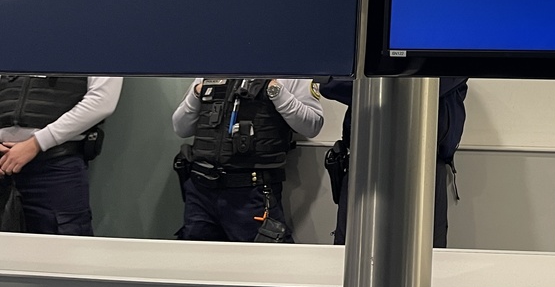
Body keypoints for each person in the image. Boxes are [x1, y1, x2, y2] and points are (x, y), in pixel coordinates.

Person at [319, 77, 467, 247]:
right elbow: (330, 84)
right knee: (354, 248)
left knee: (427, 251)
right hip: (367, 162)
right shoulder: (363, 60)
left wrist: (376, 84)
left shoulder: (447, 62)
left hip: (426, 167)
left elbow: (431, 86)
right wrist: (391, 81)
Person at [172, 77, 322, 242]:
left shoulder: (288, 71)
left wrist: (276, 91)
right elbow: (181, 128)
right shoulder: (213, 69)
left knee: (261, 257)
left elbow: (312, 126)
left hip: (251, 193)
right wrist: (197, 93)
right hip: (201, 191)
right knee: (196, 256)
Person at [0, 74, 123, 235]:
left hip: (56, 165)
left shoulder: (101, 55)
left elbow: (102, 101)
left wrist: (37, 143)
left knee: (63, 244)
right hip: (3, 163)